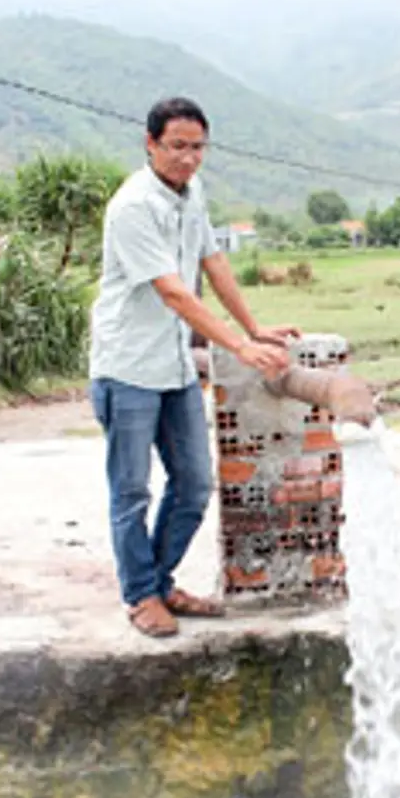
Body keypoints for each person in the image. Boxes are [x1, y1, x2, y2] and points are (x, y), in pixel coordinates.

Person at [88, 96, 299, 638]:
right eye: (177, 146)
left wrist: (254, 329)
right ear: (151, 144)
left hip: (174, 364)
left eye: (197, 147)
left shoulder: (193, 192)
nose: (188, 158)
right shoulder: (133, 206)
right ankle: (142, 596)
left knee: (194, 484)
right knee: (132, 491)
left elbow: (214, 261)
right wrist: (237, 347)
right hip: (127, 367)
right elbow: (174, 293)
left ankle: (160, 581)